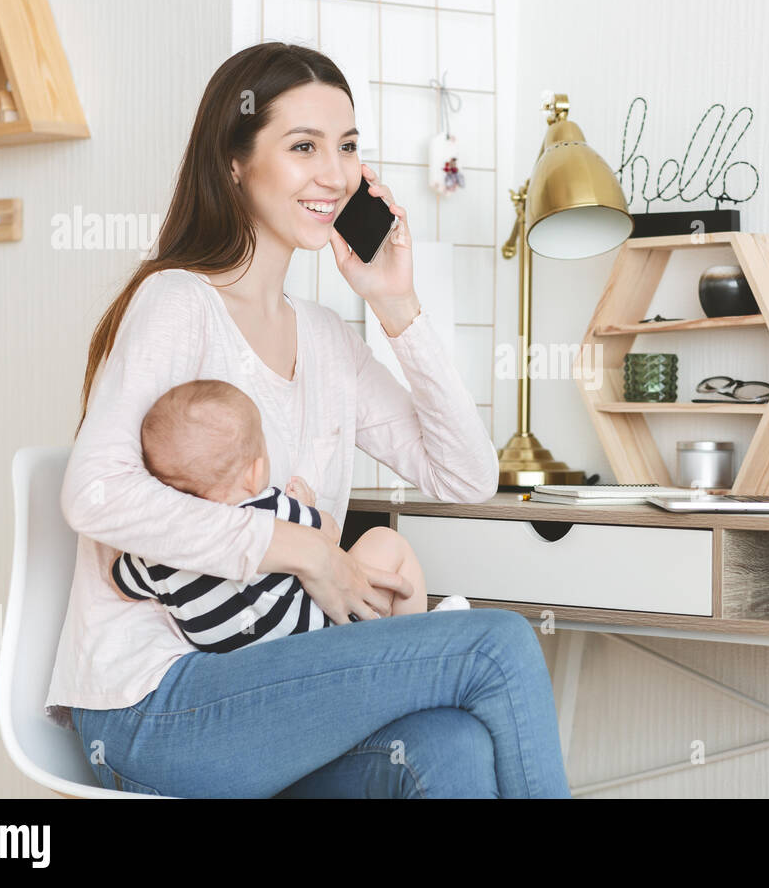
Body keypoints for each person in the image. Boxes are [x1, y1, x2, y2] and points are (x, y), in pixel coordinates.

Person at [44, 42, 572, 798]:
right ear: (234, 163)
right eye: (303, 147)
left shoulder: (326, 336)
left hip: (269, 702)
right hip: (157, 707)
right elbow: (93, 494)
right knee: (498, 645)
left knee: (449, 746)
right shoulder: (177, 303)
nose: (335, 174)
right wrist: (299, 548)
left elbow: (466, 477)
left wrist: (395, 305)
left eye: (348, 147)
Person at [109, 378, 467, 652]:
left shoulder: (154, 550)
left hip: (239, 666)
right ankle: (420, 647)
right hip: (313, 638)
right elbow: (328, 538)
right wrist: (309, 510)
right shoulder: (266, 509)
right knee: (385, 542)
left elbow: (122, 587)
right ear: (254, 472)